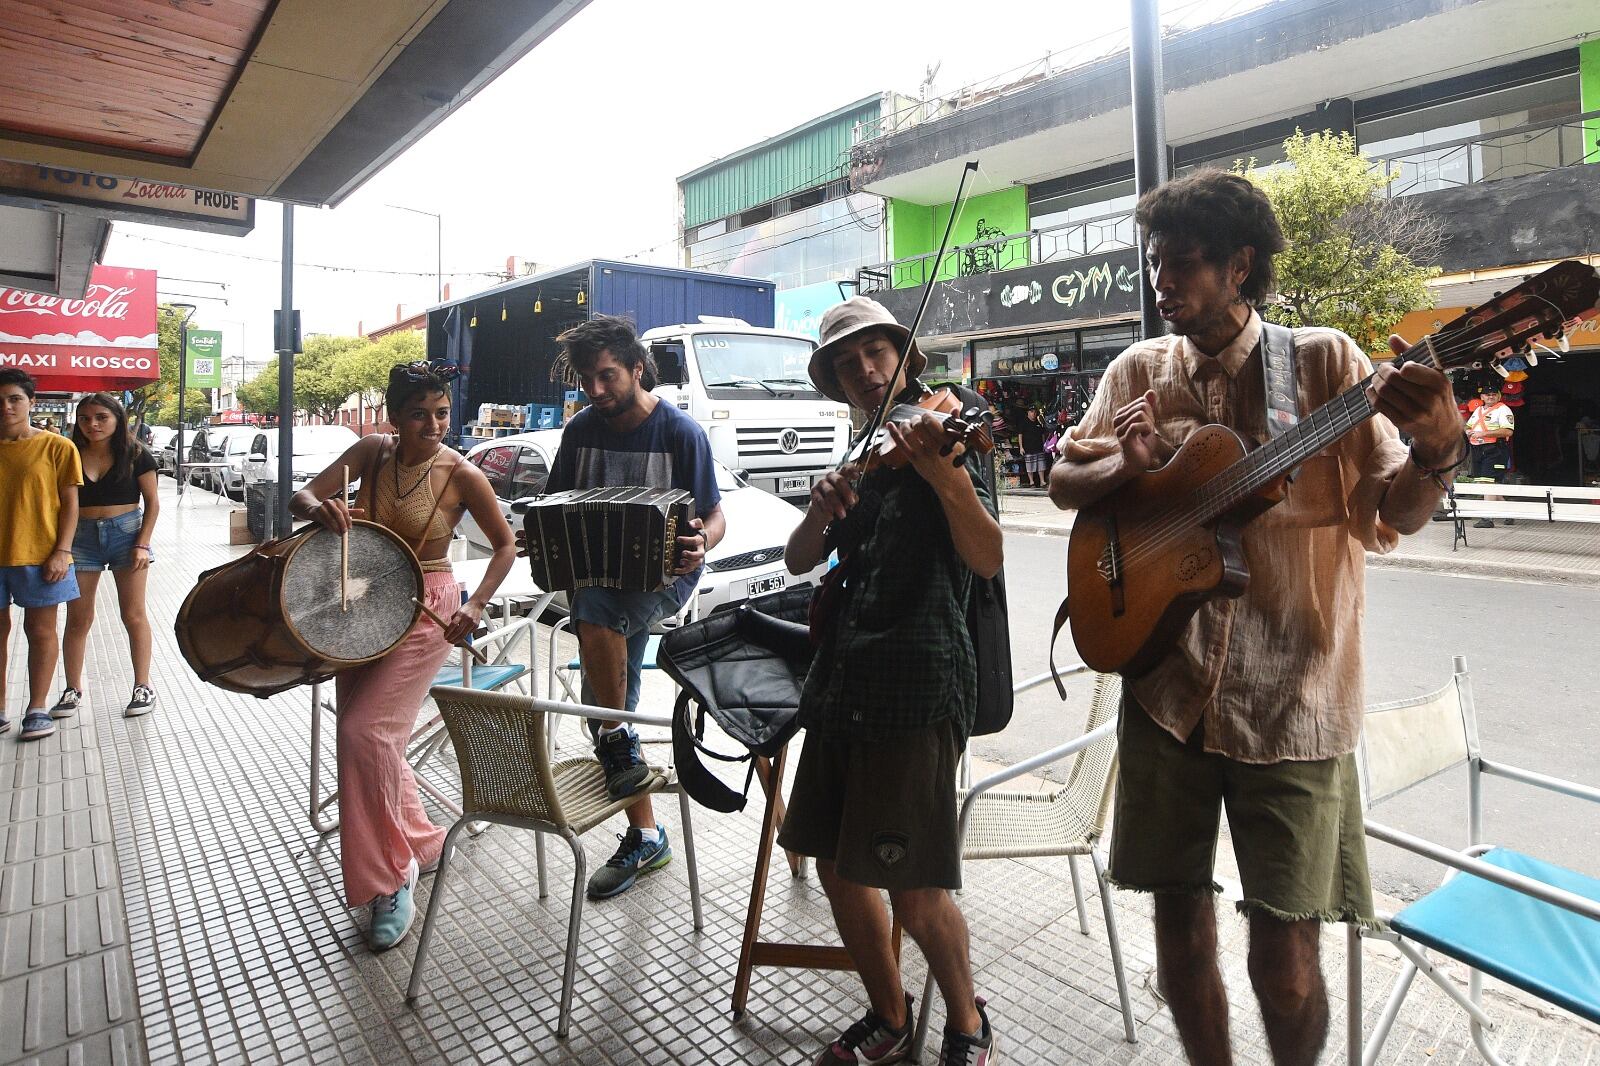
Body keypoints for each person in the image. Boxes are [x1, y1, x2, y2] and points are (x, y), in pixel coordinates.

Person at [1049, 171, 1465, 1066]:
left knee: (1286, 960)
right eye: (1155, 262)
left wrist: (1438, 448)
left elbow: (1395, 510)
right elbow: (1062, 483)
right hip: (1167, 692)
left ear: (1241, 267)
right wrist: (1124, 467)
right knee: (1180, 935)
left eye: (1182, 263)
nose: (1162, 281)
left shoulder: (1325, 365)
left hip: (1296, 699)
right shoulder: (1137, 372)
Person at [782, 297, 1003, 1066]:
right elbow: (799, 560)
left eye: (877, 354)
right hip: (844, 682)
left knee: (914, 892)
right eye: (849, 364)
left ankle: (970, 1022)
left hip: (919, 682)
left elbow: (988, 558)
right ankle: (890, 1014)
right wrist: (819, 510)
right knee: (843, 873)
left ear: (905, 359)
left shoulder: (953, 437)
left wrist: (948, 481)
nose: (867, 371)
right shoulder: (861, 458)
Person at [289, 362, 516, 951]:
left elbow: (506, 545)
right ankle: (422, 839)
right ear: (394, 417)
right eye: (420, 414)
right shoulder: (371, 451)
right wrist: (320, 508)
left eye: (442, 413)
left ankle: (389, 880)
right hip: (361, 601)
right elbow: (301, 495)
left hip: (427, 607)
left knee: (364, 733)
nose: (435, 425)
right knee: (375, 738)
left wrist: (477, 605)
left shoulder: (462, 473)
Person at [539, 315, 725, 901]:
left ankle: (618, 747)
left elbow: (715, 515)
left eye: (607, 376)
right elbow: (555, 504)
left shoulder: (681, 433)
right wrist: (540, 533)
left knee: (594, 609)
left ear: (637, 369)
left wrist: (703, 541)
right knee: (608, 691)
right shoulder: (577, 432)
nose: (595, 391)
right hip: (600, 580)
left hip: (665, 580)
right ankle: (645, 833)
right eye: (586, 381)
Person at [51, 394, 161, 719]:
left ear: (117, 418)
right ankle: (72, 689)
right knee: (79, 618)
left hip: (127, 534)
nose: (93, 425)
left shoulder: (136, 453)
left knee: (133, 614)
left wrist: (142, 543)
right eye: (85, 418)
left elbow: (153, 504)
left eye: (101, 417)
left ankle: (143, 686)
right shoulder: (68, 452)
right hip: (81, 537)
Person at [0, 369, 83, 742]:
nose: (6, 407)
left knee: (41, 630)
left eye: (15, 398)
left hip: (40, 553)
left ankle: (36, 707)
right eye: (0, 400)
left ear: (31, 402)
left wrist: (62, 551)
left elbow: (70, 505)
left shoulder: (57, 446)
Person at [1465, 383, 1515, 528]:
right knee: (1484, 483)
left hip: (1495, 450)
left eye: (1493, 394)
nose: (1490, 397)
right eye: (1487, 394)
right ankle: (1509, 512)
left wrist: (1483, 433)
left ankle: (1487, 518)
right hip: (1478, 449)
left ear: (1498, 396)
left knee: (1488, 482)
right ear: (1482, 397)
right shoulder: (1478, 410)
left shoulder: (1503, 410)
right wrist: (1467, 431)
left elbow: (1508, 432)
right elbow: (1468, 426)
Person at [1018, 407, 1048, 488]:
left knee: (1041, 464)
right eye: (1031, 412)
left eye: (1035, 412)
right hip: (1028, 448)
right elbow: (1020, 435)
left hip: (1039, 447)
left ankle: (1042, 481)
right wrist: (1021, 447)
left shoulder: (1038, 422)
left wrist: (1044, 445)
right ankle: (1031, 482)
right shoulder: (1023, 423)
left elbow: (1042, 435)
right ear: (1028, 412)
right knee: (1030, 465)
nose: (1033, 414)